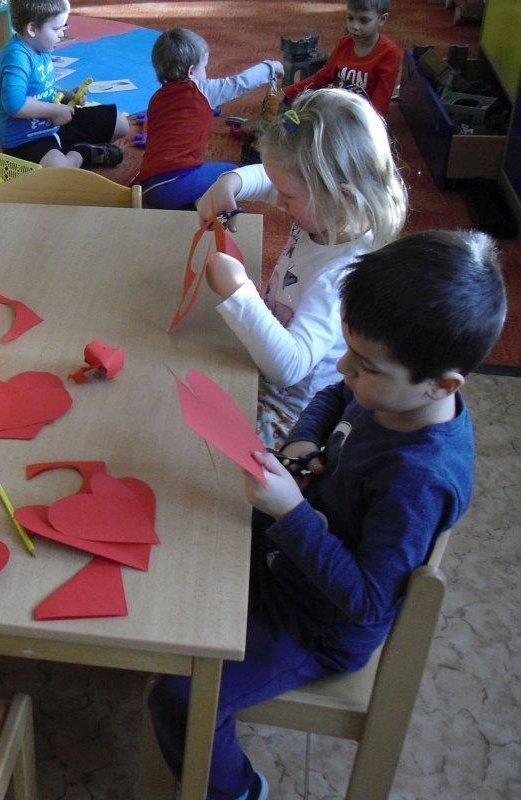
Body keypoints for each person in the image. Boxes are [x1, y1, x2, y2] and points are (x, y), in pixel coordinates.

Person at [148, 228, 507, 800]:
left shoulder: (419, 479)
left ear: (441, 385)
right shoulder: (386, 393)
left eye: (364, 365)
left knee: (180, 697)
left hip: (316, 623)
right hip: (294, 552)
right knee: (182, 517)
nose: (344, 367)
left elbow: (366, 600)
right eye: (348, 351)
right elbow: (334, 395)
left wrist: (292, 514)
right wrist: (303, 441)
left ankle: (237, 791)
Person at [195, 88, 407, 447]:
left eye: (288, 196)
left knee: (195, 439)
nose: (277, 200)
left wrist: (239, 292)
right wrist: (230, 182)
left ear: (341, 196)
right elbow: (271, 179)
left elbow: (290, 369)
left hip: (293, 415)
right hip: (266, 372)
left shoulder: (342, 275)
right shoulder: (326, 213)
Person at [139, 29, 282, 210]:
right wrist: (271, 67)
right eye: (204, 67)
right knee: (234, 173)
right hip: (176, 183)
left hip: (149, 186)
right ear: (191, 72)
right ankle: (208, 207)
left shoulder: (156, 98)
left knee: (203, 175)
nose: (205, 72)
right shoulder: (202, 91)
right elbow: (241, 83)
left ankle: (194, 205)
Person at [0, 0, 129, 168]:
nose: (62, 34)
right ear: (32, 29)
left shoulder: (40, 47)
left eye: (64, 27)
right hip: (25, 140)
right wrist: (56, 110)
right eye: (57, 29)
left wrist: (68, 95)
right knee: (61, 170)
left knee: (121, 123)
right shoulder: (16, 57)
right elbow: (14, 104)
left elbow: (42, 90)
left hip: (54, 124)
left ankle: (67, 150)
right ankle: (82, 152)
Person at [282, 0, 400, 117]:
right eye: (350, 18)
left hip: (362, 118)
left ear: (382, 19)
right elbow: (322, 77)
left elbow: (380, 103)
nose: (354, 26)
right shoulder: (345, 43)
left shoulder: (388, 53)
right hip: (336, 109)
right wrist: (289, 92)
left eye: (363, 20)